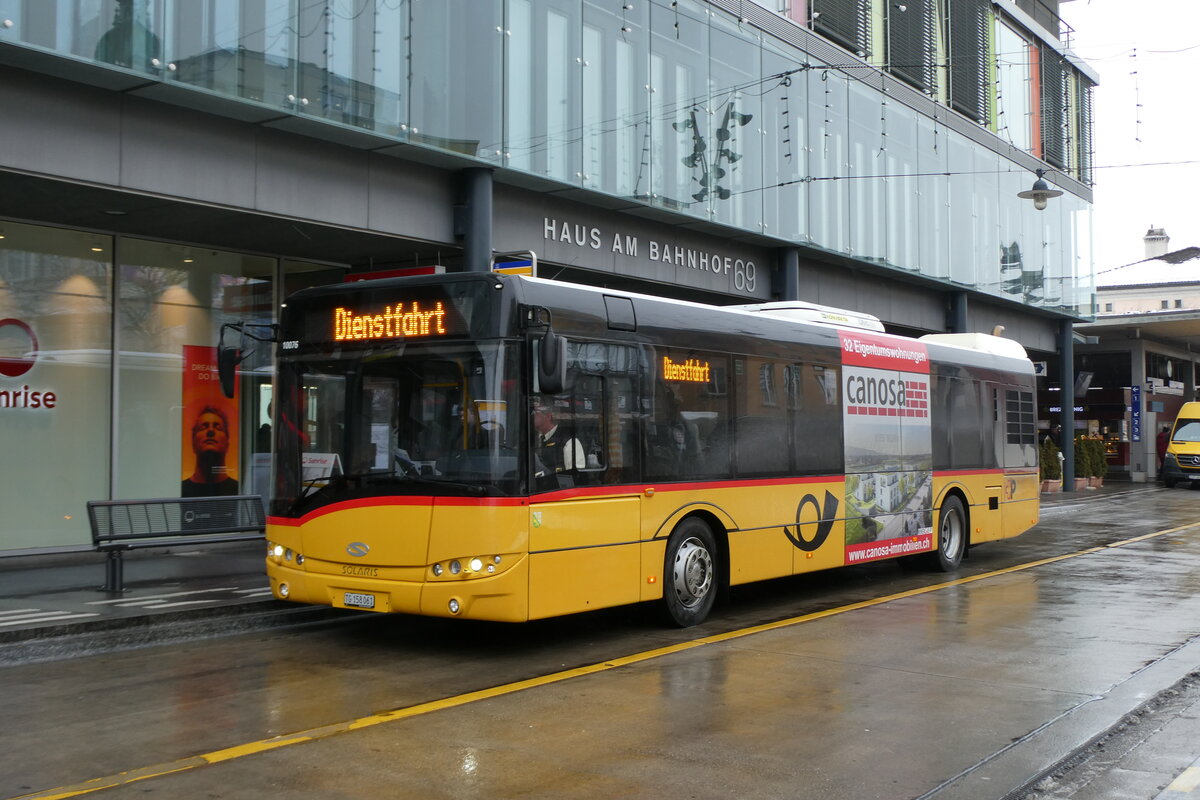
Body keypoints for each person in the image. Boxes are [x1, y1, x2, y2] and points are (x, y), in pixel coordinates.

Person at [182, 405, 240, 497]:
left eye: (218, 428)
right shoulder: (180, 491)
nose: (210, 431)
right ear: (193, 444)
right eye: (203, 427)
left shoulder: (240, 490)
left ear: (227, 444)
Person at [532, 401, 584, 483]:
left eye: (535, 412)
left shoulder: (570, 442)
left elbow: (577, 478)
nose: (532, 415)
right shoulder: (538, 439)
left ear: (548, 416)